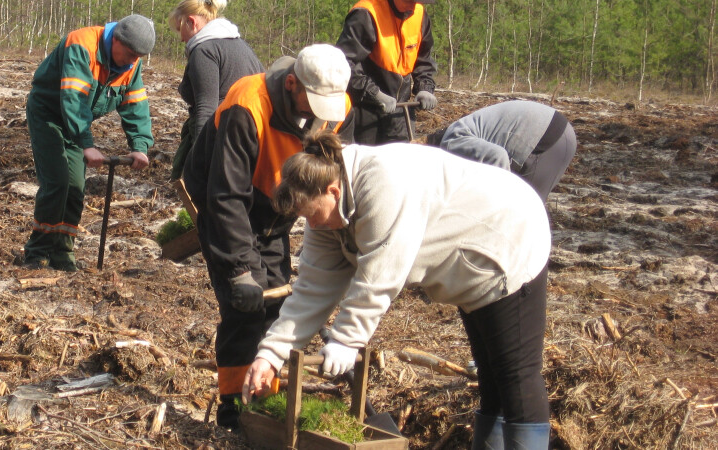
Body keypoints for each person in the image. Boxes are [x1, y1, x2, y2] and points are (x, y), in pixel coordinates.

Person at [241, 130, 552, 449]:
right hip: (469, 268)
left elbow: (381, 272)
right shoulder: (326, 213)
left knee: (515, 377)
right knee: (491, 377)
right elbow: (312, 288)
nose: (312, 225)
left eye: (312, 215)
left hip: (509, 236)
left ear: (333, 190)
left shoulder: (384, 182)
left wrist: (347, 340)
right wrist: (271, 354)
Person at [181, 43, 355, 430]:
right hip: (223, 202)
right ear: (292, 84)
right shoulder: (248, 103)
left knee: (276, 303)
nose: (319, 117)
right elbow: (225, 196)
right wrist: (240, 270)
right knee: (244, 306)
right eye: (311, 105)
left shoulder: (332, 107)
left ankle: (264, 396)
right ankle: (232, 405)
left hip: (276, 209)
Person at [19, 14, 156, 272]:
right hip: (49, 115)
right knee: (57, 182)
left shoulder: (131, 64)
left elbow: (136, 104)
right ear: (115, 39)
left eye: (138, 57)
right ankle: (37, 252)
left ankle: (62, 253)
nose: (133, 62)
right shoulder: (82, 44)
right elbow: (73, 99)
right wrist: (86, 143)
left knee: (75, 187)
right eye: (129, 54)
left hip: (77, 122)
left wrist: (139, 145)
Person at [167, 0, 263, 180]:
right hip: (250, 138)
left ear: (191, 22)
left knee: (193, 192)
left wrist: (204, 161)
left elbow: (206, 108)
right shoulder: (241, 46)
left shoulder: (204, 50)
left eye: (180, 29)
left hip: (223, 137)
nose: (181, 38)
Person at [427, 100, 577, 203]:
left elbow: (498, 157)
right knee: (528, 212)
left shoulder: (451, 140)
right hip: (563, 132)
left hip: (545, 137)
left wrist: (496, 201)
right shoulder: (464, 127)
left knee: (518, 213)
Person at [336, 0, 437, 144]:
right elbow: (344, 63)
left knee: (401, 161)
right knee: (368, 162)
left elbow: (424, 58)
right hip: (366, 111)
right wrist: (374, 93)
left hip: (401, 111)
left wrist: (425, 88)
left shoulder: (419, 13)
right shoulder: (366, 13)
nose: (414, 5)